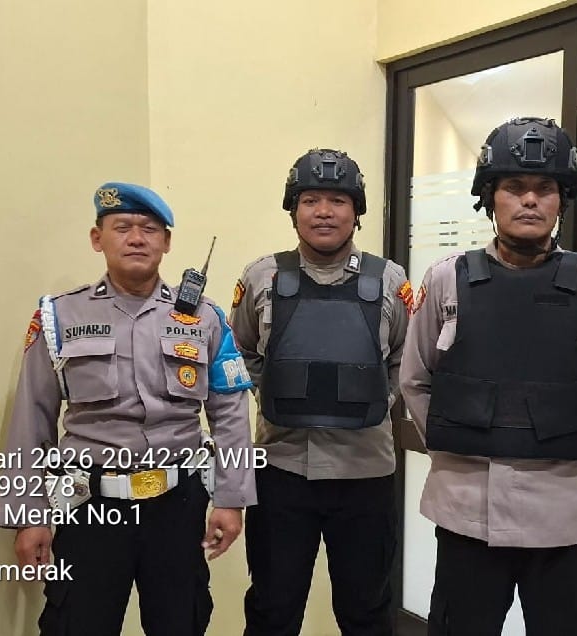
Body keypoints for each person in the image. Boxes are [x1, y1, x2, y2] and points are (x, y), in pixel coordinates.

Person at [399, 117, 577, 636]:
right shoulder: (446, 279)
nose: (529, 200)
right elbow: (415, 379)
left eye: (544, 188)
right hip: (465, 513)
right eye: (514, 186)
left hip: (562, 517)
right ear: (490, 197)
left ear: (561, 200)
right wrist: (454, 442)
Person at [0, 182, 257, 636]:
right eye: (122, 228)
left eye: (149, 229)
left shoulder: (206, 318)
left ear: (166, 242)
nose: (137, 238)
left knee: (181, 622)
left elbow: (230, 415)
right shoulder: (59, 317)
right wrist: (28, 514)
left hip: (177, 505)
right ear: (97, 238)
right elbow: (31, 418)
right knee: (76, 624)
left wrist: (231, 499)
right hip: (90, 507)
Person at [230, 148, 412, 636]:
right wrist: (275, 392)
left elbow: (406, 359)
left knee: (367, 612)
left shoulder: (390, 279)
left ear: (356, 211)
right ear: (293, 210)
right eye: (311, 200)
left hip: (366, 474)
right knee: (272, 609)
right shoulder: (260, 276)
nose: (324, 212)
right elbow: (238, 350)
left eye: (338, 200)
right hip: (281, 470)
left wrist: (373, 399)